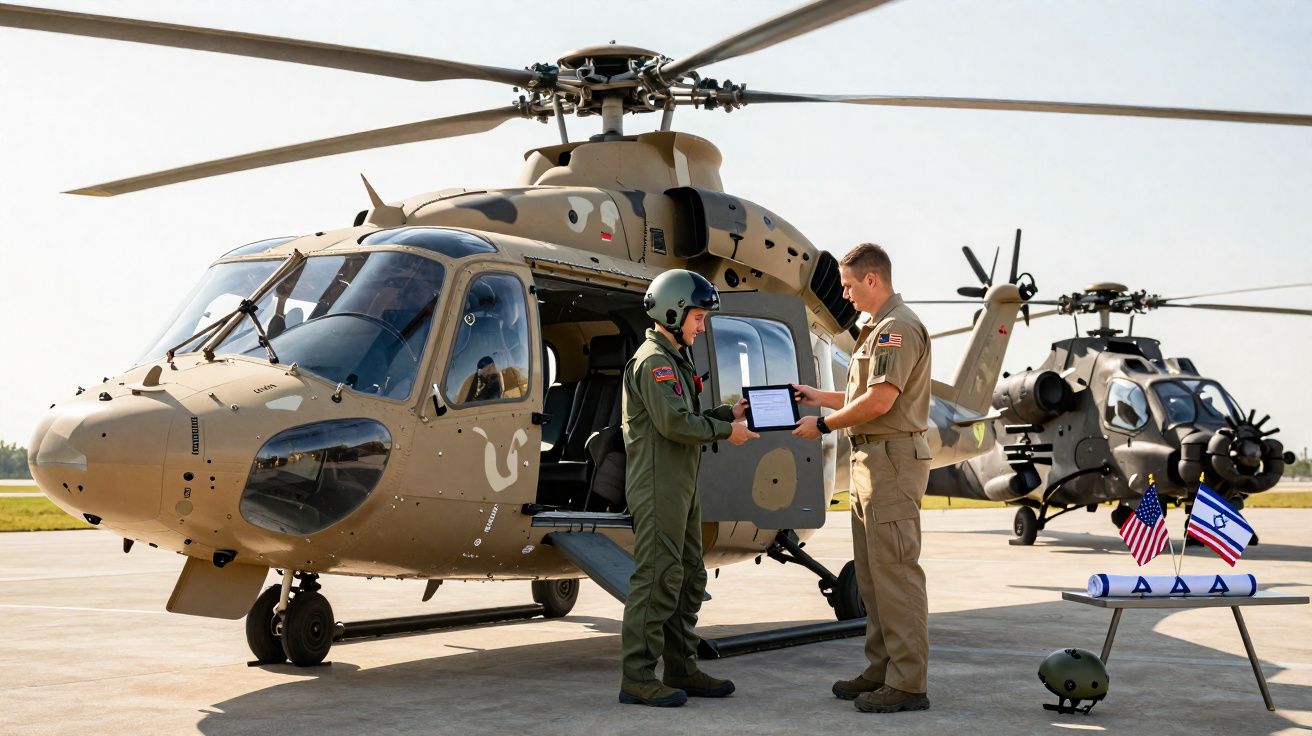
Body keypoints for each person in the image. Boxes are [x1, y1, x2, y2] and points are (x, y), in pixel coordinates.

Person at [791, 243, 932, 714]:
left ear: (872, 280)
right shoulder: (875, 331)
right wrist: (820, 398)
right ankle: (881, 669)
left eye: (849, 285)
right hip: (871, 461)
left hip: (890, 462)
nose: (845, 295)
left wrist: (823, 425)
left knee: (896, 574)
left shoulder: (897, 329)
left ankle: (908, 683)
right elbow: (863, 394)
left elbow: (881, 402)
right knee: (873, 577)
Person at [619, 269, 758, 708]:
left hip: (680, 483)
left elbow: (684, 412)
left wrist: (725, 411)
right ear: (674, 311)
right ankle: (638, 677)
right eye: (698, 317)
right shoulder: (654, 361)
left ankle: (681, 666)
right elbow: (675, 423)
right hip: (659, 485)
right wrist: (726, 432)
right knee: (658, 577)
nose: (701, 326)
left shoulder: (674, 358)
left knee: (689, 576)